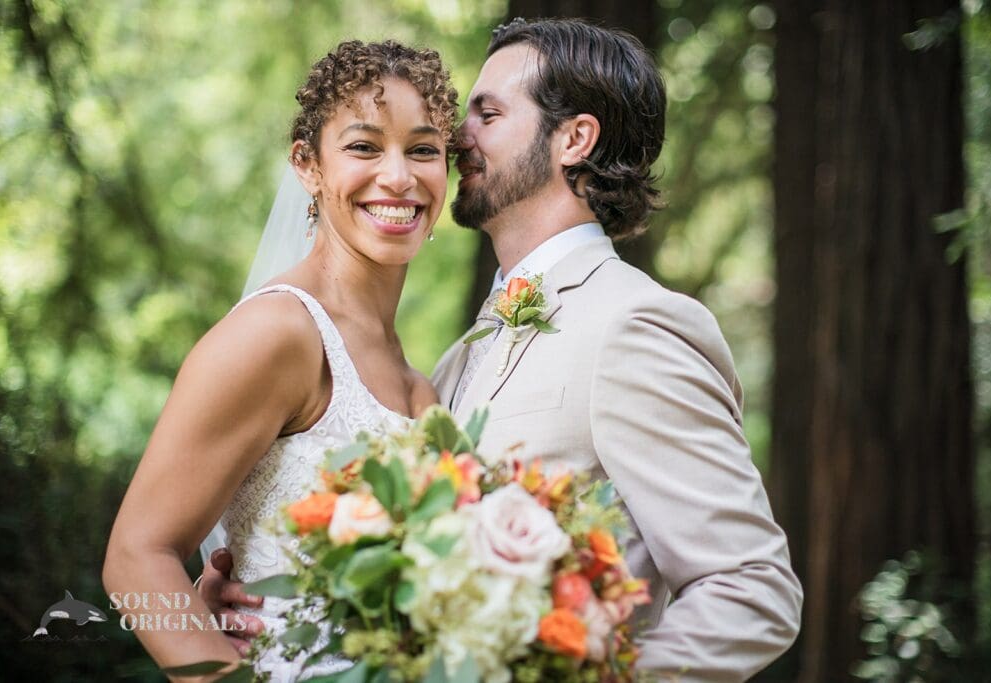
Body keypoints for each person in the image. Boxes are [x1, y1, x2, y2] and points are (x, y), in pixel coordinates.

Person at [204, 18, 803, 681]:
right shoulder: (452, 360)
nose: (458, 134)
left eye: (488, 113)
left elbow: (751, 587)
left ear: (574, 138)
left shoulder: (636, 325)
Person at [103, 40, 458, 681]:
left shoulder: (421, 388)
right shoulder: (279, 333)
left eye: (424, 149)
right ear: (307, 165)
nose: (400, 176)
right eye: (364, 146)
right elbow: (135, 558)